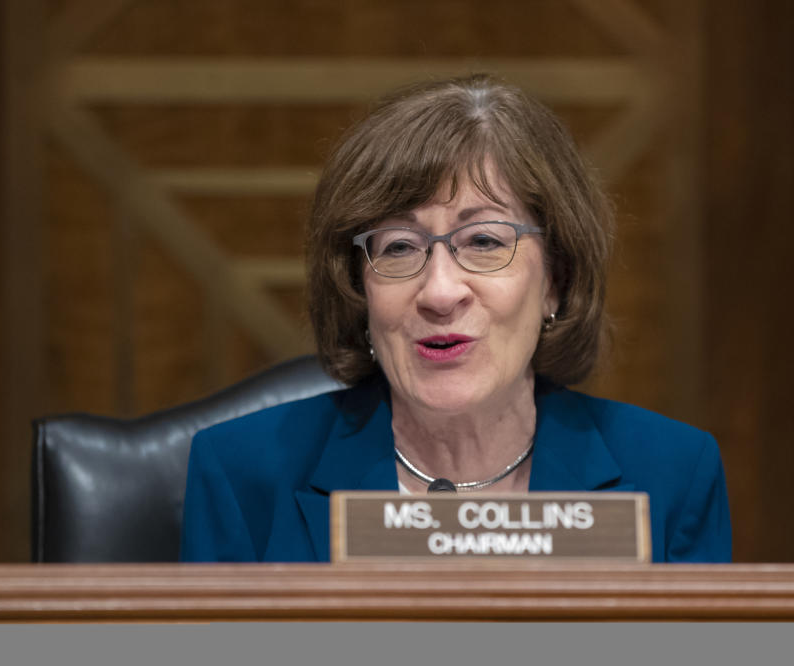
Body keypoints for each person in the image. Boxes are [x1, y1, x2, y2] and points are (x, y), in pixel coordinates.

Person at [180, 74, 731, 563]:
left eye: (485, 241)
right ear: (358, 287)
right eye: (398, 248)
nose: (440, 292)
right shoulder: (241, 473)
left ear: (556, 281)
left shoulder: (672, 477)